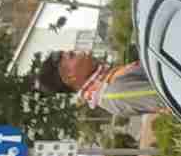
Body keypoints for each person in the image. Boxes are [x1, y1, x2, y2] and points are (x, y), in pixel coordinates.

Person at [31, 49, 172, 119]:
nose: (83, 52)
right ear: (69, 77)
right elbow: (171, 97)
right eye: (73, 55)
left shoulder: (108, 81)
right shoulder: (113, 93)